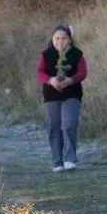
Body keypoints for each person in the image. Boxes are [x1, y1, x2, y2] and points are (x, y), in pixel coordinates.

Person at [35, 25, 88, 171]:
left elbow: (82, 73)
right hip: (51, 95)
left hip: (72, 94)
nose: (60, 41)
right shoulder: (46, 55)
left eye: (63, 38)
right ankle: (56, 161)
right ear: (52, 39)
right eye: (57, 38)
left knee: (69, 125)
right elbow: (39, 73)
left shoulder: (77, 54)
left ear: (70, 40)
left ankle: (70, 158)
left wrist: (71, 80)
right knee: (54, 127)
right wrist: (50, 80)